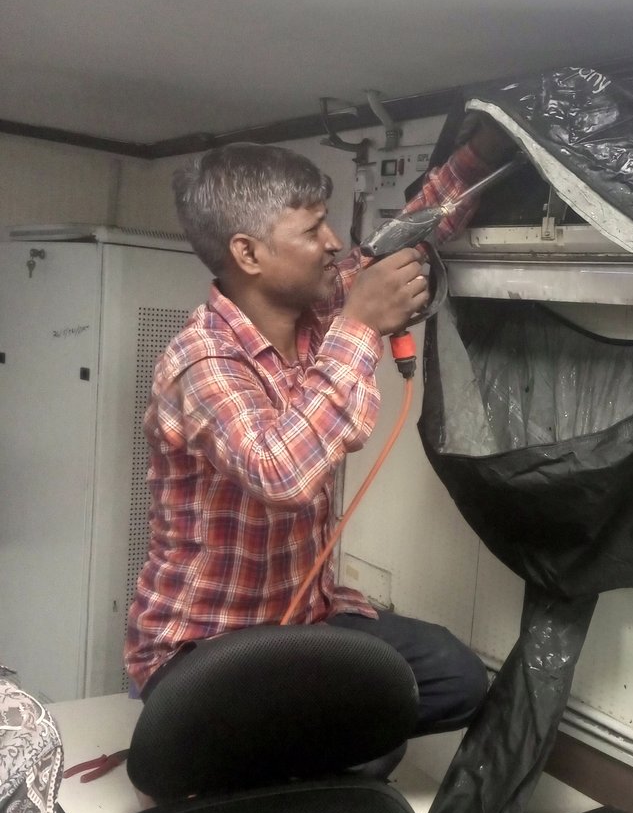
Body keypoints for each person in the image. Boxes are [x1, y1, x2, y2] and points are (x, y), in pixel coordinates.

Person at [124, 115, 515, 754]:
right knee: (363, 752)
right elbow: (281, 473)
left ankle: (286, 750)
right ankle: (263, 756)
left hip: (306, 618)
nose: (334, 243)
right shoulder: (201, 361)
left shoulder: (318, 309)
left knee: (455, 679)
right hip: (204, 647)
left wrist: (482, 152)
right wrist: (360, 327)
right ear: (248, 253)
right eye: (311, 230)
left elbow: (410, 235)